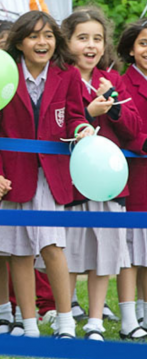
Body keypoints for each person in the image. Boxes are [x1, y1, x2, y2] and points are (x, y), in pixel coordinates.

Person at [0, 11, 94, 339]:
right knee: (18, 248)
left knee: (52, 244)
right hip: (13, 175)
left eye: (48, 35)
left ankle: (65, 321)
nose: (41, 42)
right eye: (33, 36)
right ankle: (28, 324)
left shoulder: (67, 74)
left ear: (56, 40)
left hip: (49, 173)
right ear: (19, 42)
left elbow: (74, 114)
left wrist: (83, 127)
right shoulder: (3, 76)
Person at [60, 7, 143, 341]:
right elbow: (62, 125)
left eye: (97, 38)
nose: (90, 45)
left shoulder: (114, 79)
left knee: (105, 253)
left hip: (110, 183)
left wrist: (116, 105)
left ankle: (95, 320)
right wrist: (89, 113)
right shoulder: (63, 78)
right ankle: (64, 316)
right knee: (71, 252)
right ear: (67, 43)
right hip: (73, 183)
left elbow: (134, 130)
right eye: (82, 38)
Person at [117, 18, 147, 338]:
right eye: (143, 43)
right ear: (130, 48)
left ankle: (144, 310)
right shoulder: (123, 82)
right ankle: (130, 315)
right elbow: (124, 128)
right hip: (135, 174)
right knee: (132, 250)